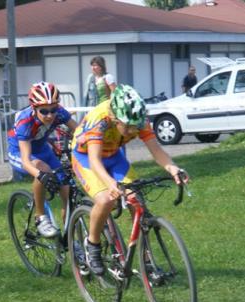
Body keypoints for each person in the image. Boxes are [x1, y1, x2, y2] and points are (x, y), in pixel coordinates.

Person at [72, 84, 189, 275]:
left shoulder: (138, 120)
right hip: (85, 156)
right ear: (113, 117)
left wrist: (172, 167)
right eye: (126, 126)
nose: (132, 131)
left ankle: (146, 261)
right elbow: (94, 160)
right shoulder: (99, 119)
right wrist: (110, 184)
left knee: (137, 202)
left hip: (113, 156)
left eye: (135, 127)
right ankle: (92, 244)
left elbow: (156, 150)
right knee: (105, 199)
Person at [7, 81, 78, 237]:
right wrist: (41, 175)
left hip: (42, 149)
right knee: (41, 169)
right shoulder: (25, 121)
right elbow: (26, 161)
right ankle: (41, 217)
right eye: (44, 111)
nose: (50, 115)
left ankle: (71, 240)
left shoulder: (59, 113)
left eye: (53, 110)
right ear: (34, 108)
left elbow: (80, 133)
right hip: (19, 151)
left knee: (66, 188)